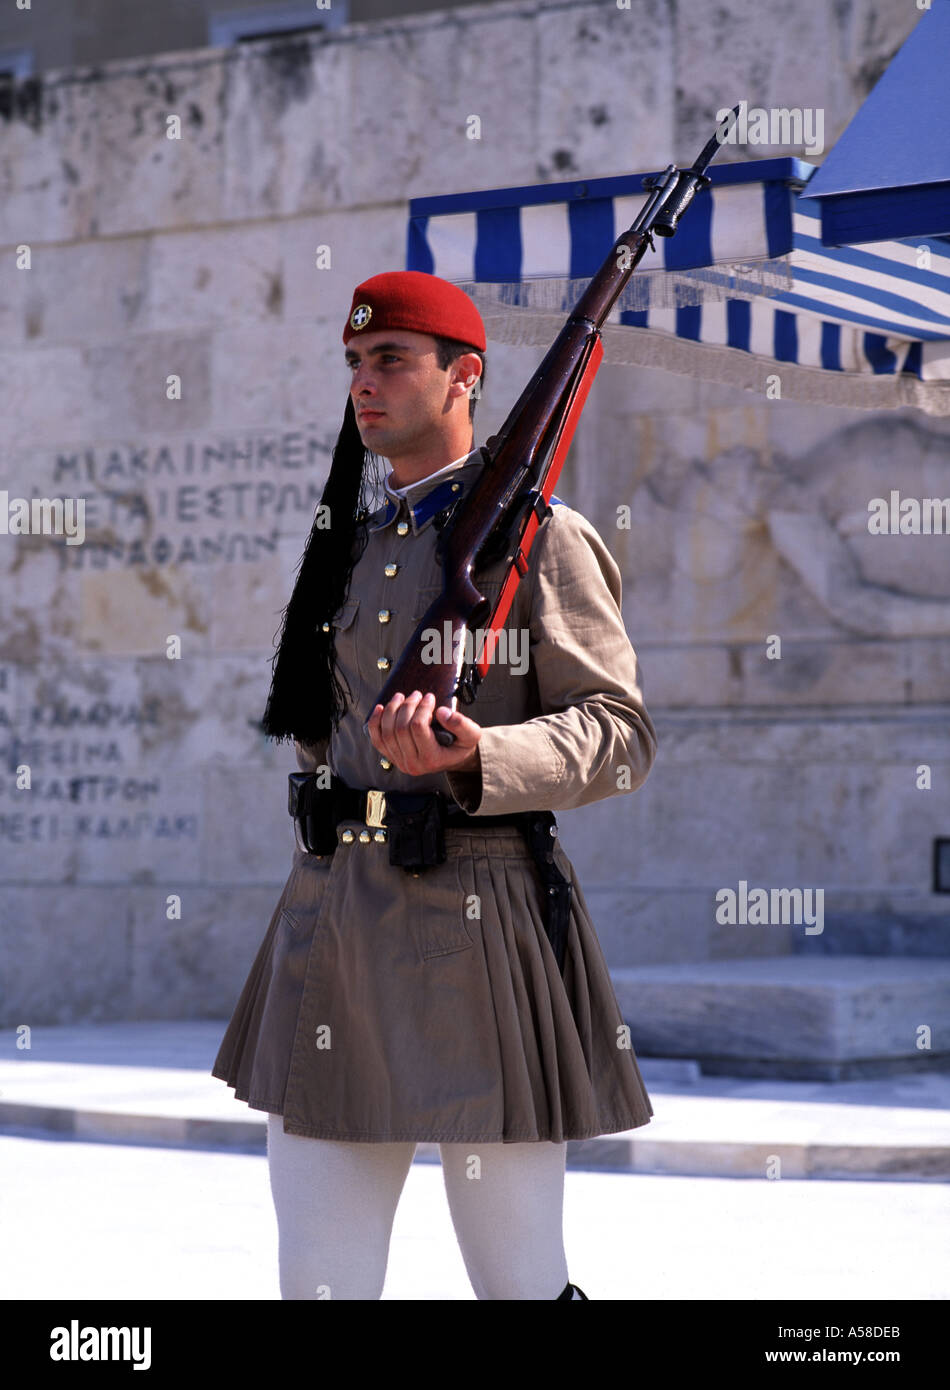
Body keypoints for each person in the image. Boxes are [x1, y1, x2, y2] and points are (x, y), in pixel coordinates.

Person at [211, 269, 658, 1300]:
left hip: (478, 919)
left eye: (391, 360)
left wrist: (475, 760)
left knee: (517, 1280)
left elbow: (619, 733)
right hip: (332, 921)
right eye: (356, 364)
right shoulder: (355, 550)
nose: (365, 384)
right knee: (318, 1282)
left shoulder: (540, 540)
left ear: (464, 376)